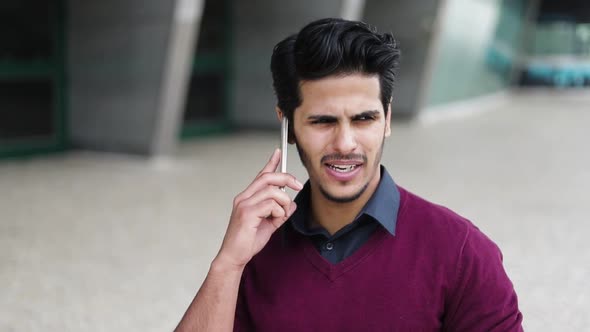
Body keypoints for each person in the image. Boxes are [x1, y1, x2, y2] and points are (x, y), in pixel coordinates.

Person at [175, 18, 523, 331]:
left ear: (386, 119)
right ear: (289, 126)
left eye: (363, 119)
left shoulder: (461, 252)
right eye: (323, 121)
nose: (345, 143)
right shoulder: (253, 252)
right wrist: (228, 265)